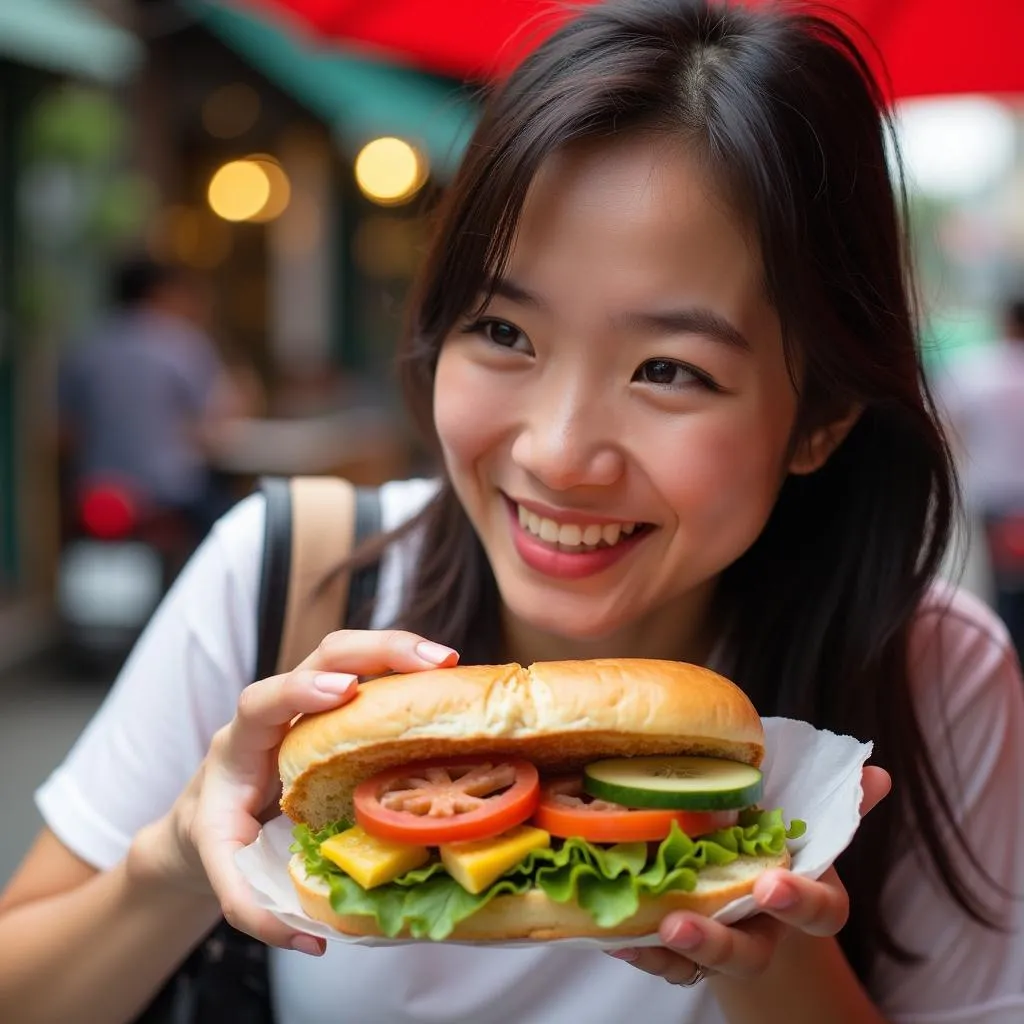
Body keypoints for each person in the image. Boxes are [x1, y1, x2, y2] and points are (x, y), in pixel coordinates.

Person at [2, 2, 1022, 1022]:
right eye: (502, 329)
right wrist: (176, 860)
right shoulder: (282, 576)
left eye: (668, 368)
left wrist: (777, 961)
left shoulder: (934, 680)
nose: (556, 452)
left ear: (820, 419)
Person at [57, 255, 251, 543]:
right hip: (170, 494)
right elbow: (217, 424)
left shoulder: (85, 347)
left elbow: (65, 432)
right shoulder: (183, 342)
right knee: (234, 529)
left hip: (97, 493)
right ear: (160, 292)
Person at [933, 297, 1024, 654]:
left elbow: (947, 427)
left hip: (995, 496)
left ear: (1005, 323)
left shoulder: (977, 371)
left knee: (1006, 584)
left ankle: (1010, 651)